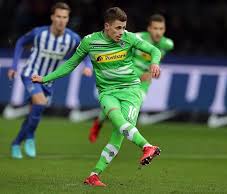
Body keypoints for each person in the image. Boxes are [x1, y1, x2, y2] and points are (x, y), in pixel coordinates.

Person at [32, 7, 161, 187]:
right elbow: (70, 64)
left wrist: (154, 63)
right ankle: (147, 146)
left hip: (131, 91)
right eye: (117, 28)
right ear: (107, 26)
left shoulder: (129, 38)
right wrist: (45, 78)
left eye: (124, 27)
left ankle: (94, 175)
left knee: (119, 134)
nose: (121, 32)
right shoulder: (90, 42)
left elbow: (154, 50)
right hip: (107, 92)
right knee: (118, 120)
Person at [8, 2, 92, 159]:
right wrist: (13, 66)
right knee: (39, 103)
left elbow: (85, 51)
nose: (61, 20)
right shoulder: (39, 33)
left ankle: (16, 142)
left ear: (68, 19)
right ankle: (31, 137)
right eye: (58, 16)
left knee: (34, 112)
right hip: (30, 73)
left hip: (48, 80)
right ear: (52, 17)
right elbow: (20, 42)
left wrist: (87, 65)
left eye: (64, 17)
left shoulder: (72, 38)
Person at [88, 14, 174, 143]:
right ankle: (98, 123)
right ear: (149, 29)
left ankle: (115, 142)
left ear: (165, 30)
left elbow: (158, 59)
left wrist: (152, 72)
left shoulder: (167, 44)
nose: (158, 32)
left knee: (132, 109)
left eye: (161, 29)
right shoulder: (137, 37)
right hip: (127, 77)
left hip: (143, 83)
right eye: (155, 28)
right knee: (112, 107)